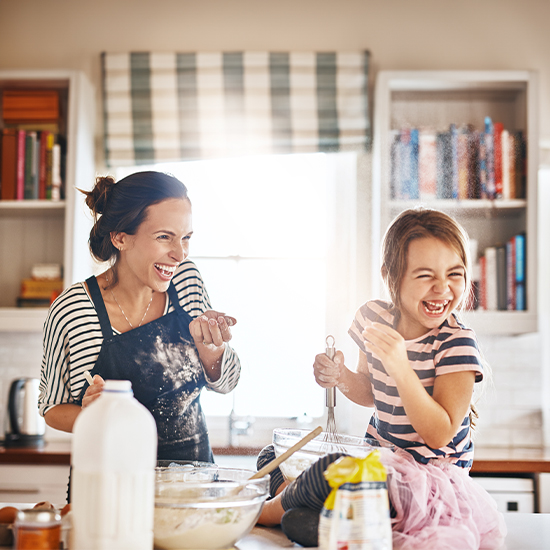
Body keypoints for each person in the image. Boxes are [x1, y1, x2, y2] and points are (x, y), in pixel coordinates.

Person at [256, 208, 506, 549]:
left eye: (455, 274)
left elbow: (438, 433)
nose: (442, 288)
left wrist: (400, 365)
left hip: (426, 486)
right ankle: (305, 506)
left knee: (330, 469)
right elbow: (370, 392)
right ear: (391, 276)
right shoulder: (372, 318)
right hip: (378, 465)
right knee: (273, 455)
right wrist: (339, 376)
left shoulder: (457, 342)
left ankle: (266, 510)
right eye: (424, 276)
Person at [39, 171, 240, 464]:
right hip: (110, 484)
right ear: (120, 238)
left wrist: (212, 348)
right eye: (164, 237)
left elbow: (227, 383)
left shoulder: (187, 282)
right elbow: (51, 408)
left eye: (186, 238)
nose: (179, 254)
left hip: (192, 484)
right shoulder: (73, 309)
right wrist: (91, 415)